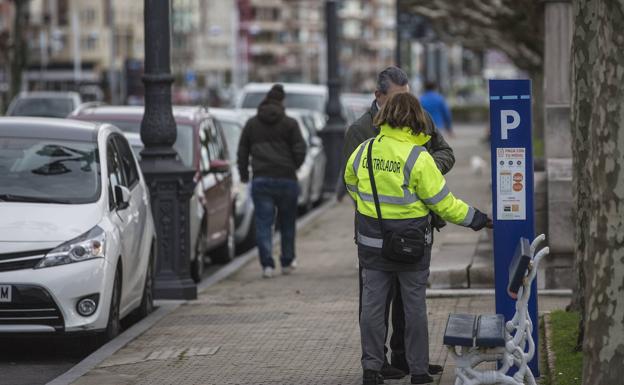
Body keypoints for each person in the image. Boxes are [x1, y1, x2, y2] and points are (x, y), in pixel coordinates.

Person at [344, 92, 492, 385]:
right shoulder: (418, 157)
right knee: (413, 308)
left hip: (371, 244)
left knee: (372, 308)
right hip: (411, 245)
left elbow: (351, 181)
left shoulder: (364, 150)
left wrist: (370, 209)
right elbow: (444, 203)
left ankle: (371, 369)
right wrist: (478, 219)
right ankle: (419, 372)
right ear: (415, 118)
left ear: (383, 117)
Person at [342, 66, 454, 380]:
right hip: (375, 233)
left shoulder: (420, 118)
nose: (404, 106)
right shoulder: (360, 130)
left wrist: (424, 170)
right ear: (378, 96)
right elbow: (353, 181)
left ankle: (408, 360)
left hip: (414, 229)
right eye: (397, 98)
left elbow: (445, 151)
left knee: (410, 304)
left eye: (407, 97)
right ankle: (378, 363)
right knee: (376, 303)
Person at [237, 84, 307, 278]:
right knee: (287, 223)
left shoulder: (252, 124)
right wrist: (294, 165)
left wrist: (244, 174)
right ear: (282, 101)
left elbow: (242, 151)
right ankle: (286, 262)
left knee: (263, 224)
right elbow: (300, 148)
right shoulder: (290, 124)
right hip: (286, 179)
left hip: (261, 179)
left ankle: (267, 265)